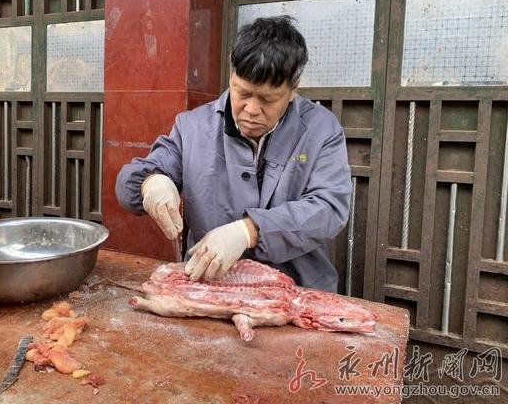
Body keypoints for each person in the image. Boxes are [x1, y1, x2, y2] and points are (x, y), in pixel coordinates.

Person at [115, 15, 352, 292]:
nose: (251, 109)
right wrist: (150, 182)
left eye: (268, 99)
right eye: (243, 93)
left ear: (294, 88)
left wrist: (247, 232)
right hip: (210, 288)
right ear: (231, 76)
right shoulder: (192, 127)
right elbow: (129, 182)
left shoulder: (320, 129)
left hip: (296, 290)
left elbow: (330, 207)